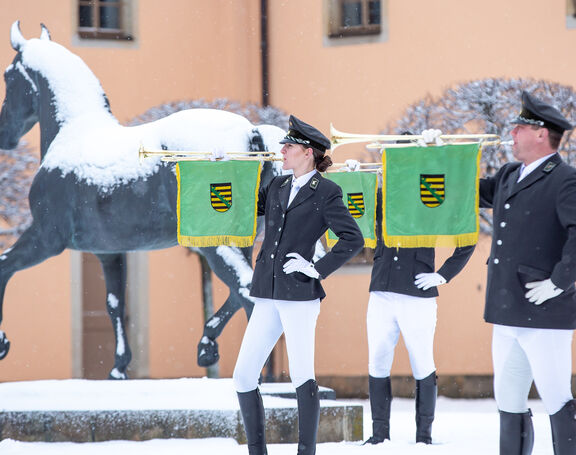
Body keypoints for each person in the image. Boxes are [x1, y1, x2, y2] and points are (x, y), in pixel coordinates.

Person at [232, 115, 364, 455]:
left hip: (299, 295)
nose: (282, 152)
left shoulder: (327, 191)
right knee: (243, 376)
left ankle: (306, 452)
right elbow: (244, 207)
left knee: (301, 376)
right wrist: (223, 167)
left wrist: (317, 268)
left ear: (307, 152)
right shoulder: (276, 185)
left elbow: (352, 238)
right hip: (267, 291)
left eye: (288, 147)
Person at [480, 91, 576, 455]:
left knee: (556, 398)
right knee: (508, 400)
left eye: (520, 127)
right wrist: (431, 158)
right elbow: (466, 192)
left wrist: (559, 281)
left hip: (545, 309)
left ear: (541, 134)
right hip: (506, 307)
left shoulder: (565, 178)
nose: (513, 133)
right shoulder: (508, 174)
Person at [358, 148, 475, 445]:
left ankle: (424, 436)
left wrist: (444, 273)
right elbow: (354, 215)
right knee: (377, 361)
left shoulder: (432, 193)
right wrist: (354, 179)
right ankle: (379, 434)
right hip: (381, 291)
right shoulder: (383, 196)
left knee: (422, 362)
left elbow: (466, 233)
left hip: (417, 293)